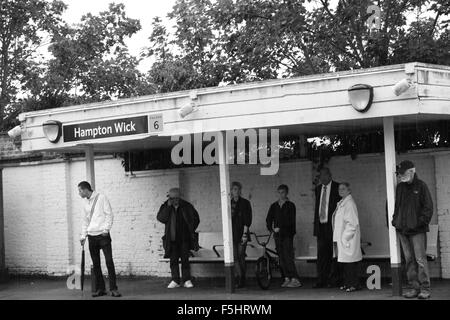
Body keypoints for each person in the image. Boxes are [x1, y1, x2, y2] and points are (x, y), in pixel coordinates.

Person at [392, 160, 433, 300]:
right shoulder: (400, 188)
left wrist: (418, 224)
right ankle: (414, 288)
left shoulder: (421, 186)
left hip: (417, 231)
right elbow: (397, 206)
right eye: (400, 173)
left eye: (403, 173)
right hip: (403, 230)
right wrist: (395, 221)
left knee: (420, 260)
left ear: (412, 171)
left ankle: (425, 289)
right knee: (409, 260)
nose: (401, 176)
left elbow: (428, 209)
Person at [78, 181, 121, 298]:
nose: (79, 193)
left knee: (109, 262)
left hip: (103, 236)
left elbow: (109, 214)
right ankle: (101, 289)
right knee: (96, 264)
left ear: (86, 189)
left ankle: (113, 289)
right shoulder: (84, 203)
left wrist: (106, 230)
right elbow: (85, 221)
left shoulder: (102, 198)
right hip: (91, 237)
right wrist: (83, 236)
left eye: (80, 190)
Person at [157, 188, 200, 289]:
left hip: (184, 238)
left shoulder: (187, 206)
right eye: (172, 198)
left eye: (176, 198)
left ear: (179, 197)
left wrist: (190, 228)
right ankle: (175, 280)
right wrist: (167, 207)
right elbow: (161, 218)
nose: (174, 201)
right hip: (172, 239)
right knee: (173, 260)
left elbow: (196, 219)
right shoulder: (166, 206)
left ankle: (186, 280)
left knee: (185, 260)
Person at [266, 185, 302, 288]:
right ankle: (287, 277)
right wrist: (271, 229)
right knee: (281, 257)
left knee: (288, 256)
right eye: (279, 192)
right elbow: (268, 219)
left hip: (287, 235)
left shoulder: (291, 205)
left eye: (283, 192)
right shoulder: (274, 206)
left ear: (287, 193)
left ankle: (295, 278)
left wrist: (280, 228)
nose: (281, 194)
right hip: (277, 235)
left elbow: (290, 221)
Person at [313, 167, 342, 288]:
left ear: (329, 175)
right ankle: (321, 279)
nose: (321, 178)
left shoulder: (337, 187)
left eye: (323, 176)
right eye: (319, 176)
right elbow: (318, 207)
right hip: (321, 226)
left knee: (334, 254)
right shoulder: (318, 189)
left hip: (333, 226)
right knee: (321, 254)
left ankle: (335, 279)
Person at [332, 182, 362, 292]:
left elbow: (352, 223)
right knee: (344, 263)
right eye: (339, 189)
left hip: (348, 238)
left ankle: (353, 284)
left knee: (350, 263)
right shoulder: (341, 203)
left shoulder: (349, 204)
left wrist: (345, 237)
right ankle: (347, 283)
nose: (341, 191)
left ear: (349, 190)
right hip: (341, 238)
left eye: (343, 189)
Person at [230, 182, 253, 289]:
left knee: (240, 255)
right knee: (234, 257)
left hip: (242, 232)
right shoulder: (229, 204)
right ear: (231, 190)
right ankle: (240, 277)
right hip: (232, 234)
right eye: (234, 189)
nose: (236, 191)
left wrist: (244, 234)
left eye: (238, 189)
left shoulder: (245, 203)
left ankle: (242, 277)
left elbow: (247, 220)